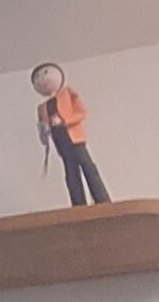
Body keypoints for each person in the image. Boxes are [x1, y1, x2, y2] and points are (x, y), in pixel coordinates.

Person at [34, 61, 108, 207]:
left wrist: (63, 120)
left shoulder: (67, 94)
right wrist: (44, 130)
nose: (42, 78)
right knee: (71, 173)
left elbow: (81, 113)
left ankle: (101, 199)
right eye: (37, 77)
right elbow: (43, 132)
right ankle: (78, 204)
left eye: (45, 73)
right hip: (61, 143)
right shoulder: (42, 107)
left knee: (88, 167)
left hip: (74, 139)